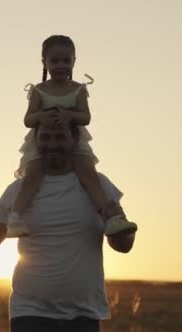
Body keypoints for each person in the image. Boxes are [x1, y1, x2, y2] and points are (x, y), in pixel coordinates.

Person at [0, 120, 137, 332]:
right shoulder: (18, 191)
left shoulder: (98, 186)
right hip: (30, 315)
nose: (52, 144)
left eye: (60, 137)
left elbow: (124, 245)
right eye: (45, 137)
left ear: (75, 139)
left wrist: (115, 223)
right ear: (35, 141)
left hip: (84, 316)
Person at [7, 34, 137, 238]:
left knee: (89, 176)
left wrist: (70, 115)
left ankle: (110, 218)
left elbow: (86, 117)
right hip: (43, 143)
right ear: (44, 62)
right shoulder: (39, 90)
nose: (60, 65)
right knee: (32, 177)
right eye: (54, 61)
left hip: (73, 142)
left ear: (74, 61)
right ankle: (15, 218)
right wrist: (41, 115)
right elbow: (28, 120)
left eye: (66, 60)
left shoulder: (78, 90)